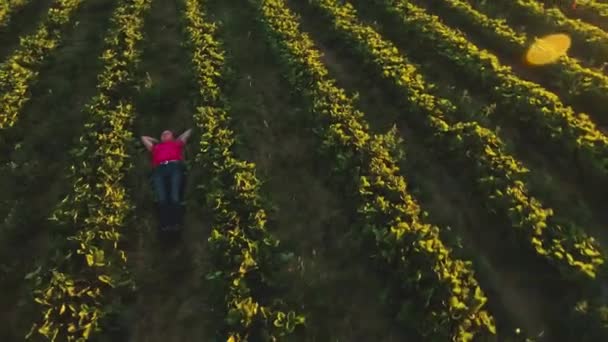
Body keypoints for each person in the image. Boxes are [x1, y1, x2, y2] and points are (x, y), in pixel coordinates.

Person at [141, 129, 192, 232]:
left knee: (174, 197)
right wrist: (155, 140)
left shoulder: (176, 144)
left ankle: (177, 223)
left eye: (167, 133)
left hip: (174, 167)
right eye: (162, 134)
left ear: (173, 136)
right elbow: (143, 138)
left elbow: (189, 132)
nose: (164, 134)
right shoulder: (156, 147)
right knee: (162, 199)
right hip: (159, 169)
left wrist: (177, 139)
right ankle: (165, 225)